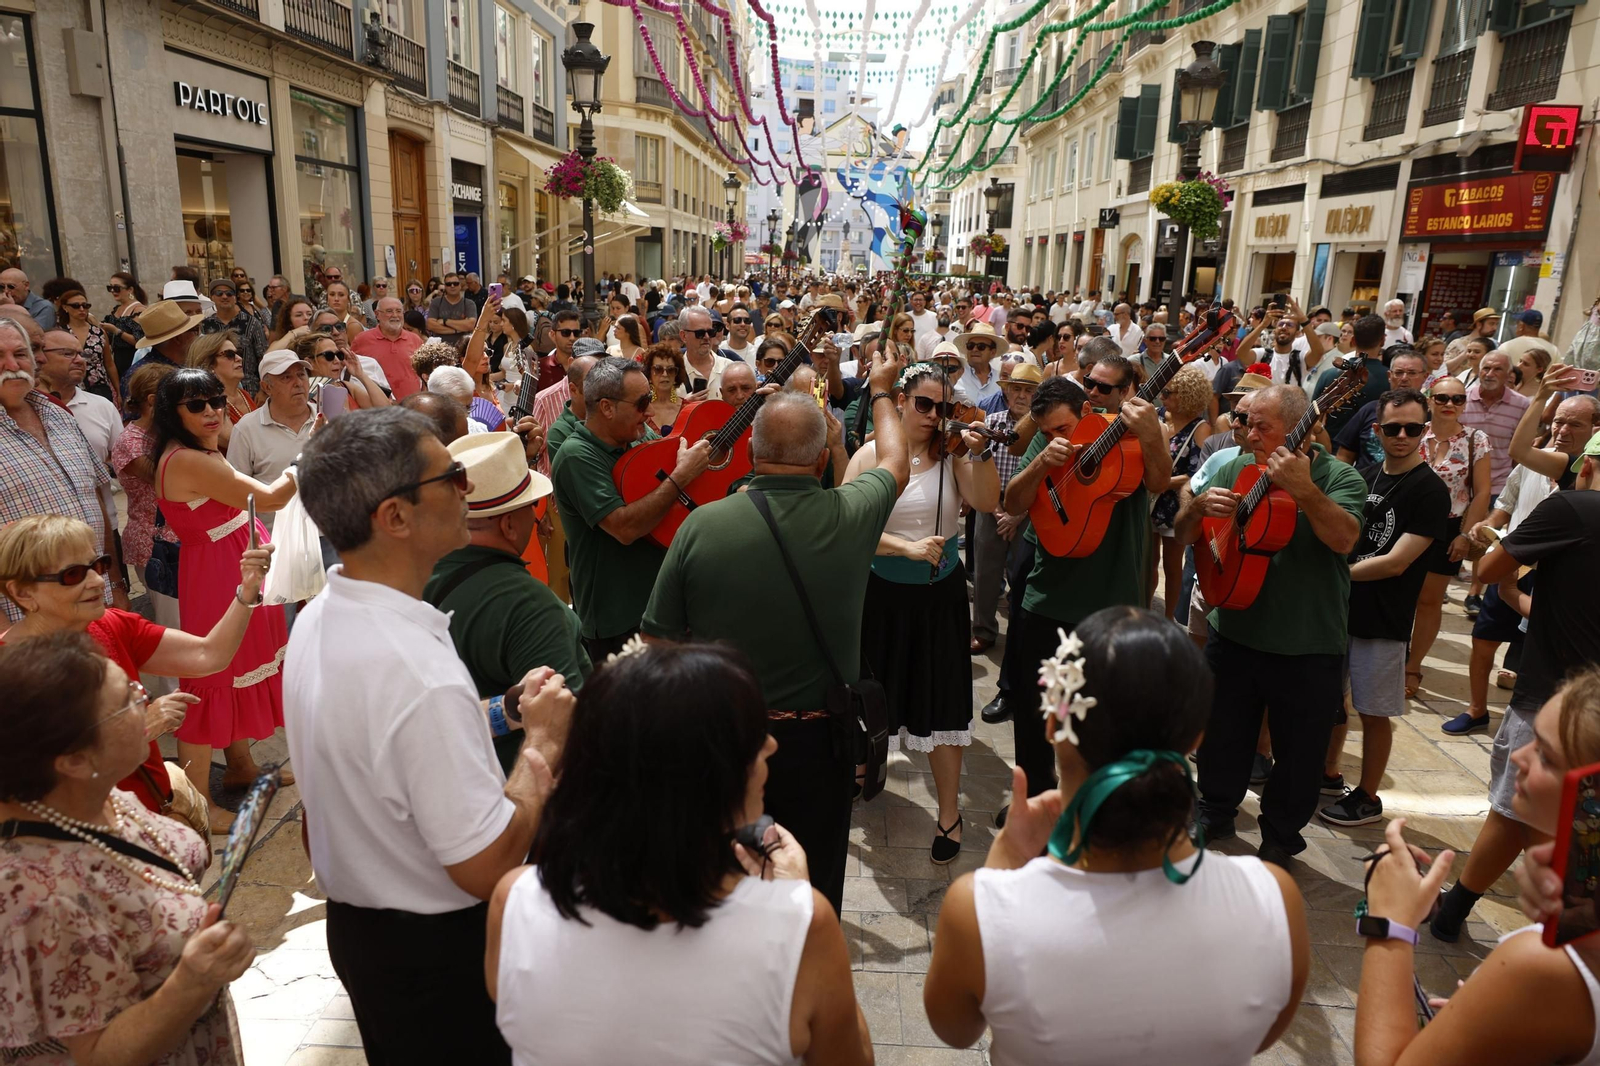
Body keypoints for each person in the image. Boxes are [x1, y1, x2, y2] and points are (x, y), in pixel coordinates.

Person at [285, 407, 575, 1066]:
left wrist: (502, 712)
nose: (467, 490)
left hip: (365, 931)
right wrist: (543, 748)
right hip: (436, 955)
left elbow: (385, 742)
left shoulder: (325, 612)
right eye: (453, 477)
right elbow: (486, 866)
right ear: (395, 516)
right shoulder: (416, 673)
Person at [924, 608, 1308, 1062]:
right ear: (1196, 739)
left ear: (1052, 722)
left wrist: (1002, 866)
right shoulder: (1274, 901)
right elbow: (1257, 1034)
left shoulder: (981, 911)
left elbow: (955, 1029)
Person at [487, 641, 872, 1064]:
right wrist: (795, 895)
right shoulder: (801, 928)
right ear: (701, 778)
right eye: (748, 737)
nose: (770, 747)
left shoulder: (513, 901)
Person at [642, 353, 908, 911]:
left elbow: (657, 644)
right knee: (811, 890)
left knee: (727, 887)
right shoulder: (850, 513)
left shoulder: (701, 525)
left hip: (727, 739)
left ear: (753, 453)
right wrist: (881, 389)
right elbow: (895, 463)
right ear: (819, 462)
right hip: (821, 745)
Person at [0, 633, 255, 1064]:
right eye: (127, 701)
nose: (147, 703)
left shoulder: (96, 793)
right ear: (74, 760)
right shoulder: (40, 897)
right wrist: (191, 981)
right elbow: (99, 1055)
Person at [1355, 669, 1600, 1065]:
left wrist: (1387, 922)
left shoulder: (1545, 964)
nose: (1519, 756)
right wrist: (1485, 1018)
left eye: (1545, 755)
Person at [1176, 384, 1365, 866]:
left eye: (1263, 425)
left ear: (1304, 427)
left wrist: (1303, 489)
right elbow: (1184, 532)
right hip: (1234, 627)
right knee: (1222, 734)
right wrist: (1196, 511)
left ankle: (1281, 835)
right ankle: (1215, 809)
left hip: (1306, 640)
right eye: (1245, 421)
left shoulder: (1340, 476)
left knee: (1300, 752)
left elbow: (1345, 539)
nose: (1248, 433)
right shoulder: (1236, 466)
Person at [1429, 427, 1600, 942]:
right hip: (1582, 700)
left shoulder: (1573, 508)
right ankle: (1455, 909)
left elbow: (1490, 565)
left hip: (1556, 700)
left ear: (1584, 468)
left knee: (1526, 811)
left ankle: (1557, 940)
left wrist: (1501, 556)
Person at [0, 513, 272, 825]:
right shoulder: (10, 674)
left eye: (98, 565)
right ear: (22, 593)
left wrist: (247, 588)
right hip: (87, 838)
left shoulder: (110, 624)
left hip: (150, 815)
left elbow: (208, 656)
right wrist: (138, 730)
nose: (96, 581)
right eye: (73, 574)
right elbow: (29, 782)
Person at [846, 362, 999, 864]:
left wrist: (979, 452)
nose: (935, 416)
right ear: (903, 401)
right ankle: (863, 770)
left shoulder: (953, 455)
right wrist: (904, 549)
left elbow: (986, 501)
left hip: (939, 598)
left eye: (943, 406)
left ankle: (950, 813)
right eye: (924, 404)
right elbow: (845, 525)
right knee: (870, 695)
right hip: (881, 593)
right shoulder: (871, 453)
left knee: (941, 703)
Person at [153, 367, 296, 821]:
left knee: (233, 671)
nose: (212, 411)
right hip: (219, 576)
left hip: (230, 566)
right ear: (172, 413)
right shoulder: (188, 459)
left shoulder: (196, 448)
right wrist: (310, 456)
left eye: (215, 400)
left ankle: (239, 767)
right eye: (197, 405)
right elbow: (270, 498)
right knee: (210, 679)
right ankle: (196, 806)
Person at [1316, 389, 1450, 827]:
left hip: (1385, 619)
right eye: (1393, 428)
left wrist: (1335, 575)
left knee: (1374, 712)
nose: (1403, 436)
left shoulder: (1430, 490)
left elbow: (1397, 562)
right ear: (1377, 431)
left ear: (1424, 431)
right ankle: (1329, 772)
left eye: (1413, 428)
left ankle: (1369, 796)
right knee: (1332, 703)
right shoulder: (1366, 473)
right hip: (1343, 611)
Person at [552, 357, 711, 661]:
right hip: (616, 623)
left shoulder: (639, 438)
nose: (649, 412)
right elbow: (624, 528)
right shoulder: (576, 455)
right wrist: (680, 477)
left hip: (659, 611)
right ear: (607, 408)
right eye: (640, 404)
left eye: (649, 400)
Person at [0, 319, 128, 624]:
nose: (11, 364)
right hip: (28, 624)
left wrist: (116, 583)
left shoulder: (57, 414)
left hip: (98, 603)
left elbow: (96, 496)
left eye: (20, 354)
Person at [1401, 375, 1491, 697]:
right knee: (1397, 593)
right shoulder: (1413, 432)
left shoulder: (1475, 440)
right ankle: (1390, 657)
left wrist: (1466, 534)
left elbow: (1482, 493)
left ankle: (1413, 666)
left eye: (1457, 399)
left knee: (1428, 600)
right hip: (1406, 523)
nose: (1450, 405)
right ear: (1429, 400)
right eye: (1442, 398)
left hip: (1447, 527)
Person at [970, 362, 1039, 655]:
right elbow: (979, 465)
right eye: (1016, 389)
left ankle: (1022, 634)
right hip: (991, 504)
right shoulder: (992, 422)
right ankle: (983, 630)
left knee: (1024, 572)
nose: (1021, 396)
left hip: (1028, 508)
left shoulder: (1043, 429)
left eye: (1028, 391)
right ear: (1007, 392)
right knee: (985, 572)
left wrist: (1017, 514)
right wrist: (998, 510)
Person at [227, 349, 317, 532]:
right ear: (267, 387)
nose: (298, 383)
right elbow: (236, 494)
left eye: (301, 375)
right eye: (286, 378)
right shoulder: (246, 430)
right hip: (276, 539)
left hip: (330, 535)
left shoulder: (330, 417)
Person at [1151, 364, 1213, 621]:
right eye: (1162, 391)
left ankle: (1168, 618)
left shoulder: (1201, 428)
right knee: (1147, 561)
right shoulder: (1155, 416)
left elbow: (1196, 474)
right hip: (1150, 500)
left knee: (1172, 566)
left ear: (1186, 395)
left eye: (1168, 392)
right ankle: (1144, 612)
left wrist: (1162, 482)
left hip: (1174, 504)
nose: (1162, 397)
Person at [35, 328, 122, 473]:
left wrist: (104, 469)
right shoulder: (22, 409)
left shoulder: (103, 406)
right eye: (68, 353)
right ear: (40, 357)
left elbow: (122, 457)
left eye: (82, 354)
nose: (80, 360)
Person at [187, 330, 254, 453]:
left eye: (237, 353)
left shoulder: (244, 394)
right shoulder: (210, 404)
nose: (239, 358)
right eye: (229, 355)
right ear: (209, 364)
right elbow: (234, 442)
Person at [200, 279, 269, 396]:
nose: (224, 296)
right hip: (216, 392)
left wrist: (263, 391)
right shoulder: (205, 325)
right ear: (212, 297)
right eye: (219, 293)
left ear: (235, 297)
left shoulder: (252, 323)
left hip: (251, 390)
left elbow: (263, 358)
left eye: (229, 293)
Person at [53, 287, 118, 404]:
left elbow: (109, 364)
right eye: (76, 306)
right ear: (65, 307)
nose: (82, 309)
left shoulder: (98, 332)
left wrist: (118, 391)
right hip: (70, 386)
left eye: (85, 305)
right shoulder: (59, 333)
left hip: (99, 386)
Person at [352, 295, 424, 399]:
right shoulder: (361, 340)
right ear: (377, 314)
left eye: (399, 311)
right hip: (377, 408)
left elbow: (425, 374)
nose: (395, 315)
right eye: (389, 311)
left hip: (412, 406)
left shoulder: (415, 340)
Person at [678, 306, 734, 400]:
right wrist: (685, 406)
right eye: (700, 333)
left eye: (711, 332)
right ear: (683, 336)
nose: (707, 337)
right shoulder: (671, 373)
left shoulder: (730, 368)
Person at [102, 271, 148, 381]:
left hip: (133, 360)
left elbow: (140, 341)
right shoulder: (116, 309)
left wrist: (117, 331)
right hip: (117, 361)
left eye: (116, 288)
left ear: (130, 290)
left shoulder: (138, 310)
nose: (113, 291)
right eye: (110, 288)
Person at [643, 342, 688, 433]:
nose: (665, 374)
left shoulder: (688, 409)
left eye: (670, 370)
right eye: (658, 369)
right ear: (649, 373)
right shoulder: (640, 409)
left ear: (676, 375)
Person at [426, 272, 477, 345]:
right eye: (448, 284)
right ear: (445, 287)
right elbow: (430, 325)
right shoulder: (436, 302)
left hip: (463, 348)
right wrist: (457, 330)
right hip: (441, 348)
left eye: (455, 283)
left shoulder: (469, 304)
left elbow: (470, 325)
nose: (452, 286)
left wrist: (444, 321)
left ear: (460, 285)